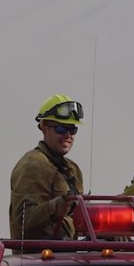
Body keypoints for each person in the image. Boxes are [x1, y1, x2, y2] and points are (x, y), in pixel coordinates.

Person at [10, 94, 86, 241]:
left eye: (72, 129)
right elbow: (23, 221)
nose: (68, 135)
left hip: (69, 255)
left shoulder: (73, 169)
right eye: (61, 129)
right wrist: (56, 207)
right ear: (44, 128)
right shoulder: (32, 165)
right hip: (36, 258)